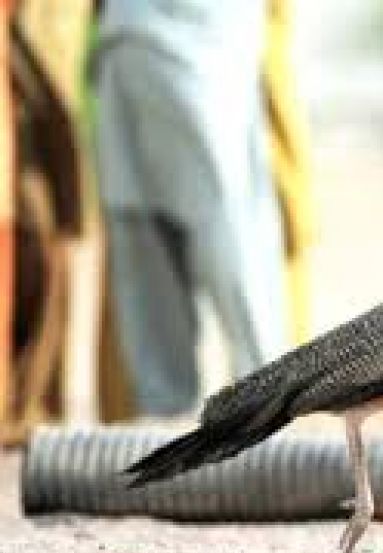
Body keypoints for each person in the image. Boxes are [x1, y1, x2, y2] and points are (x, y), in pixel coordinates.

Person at [93, 0, 290, 415]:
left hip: (203, 41)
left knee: (227, 223)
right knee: (139, 224)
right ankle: (163, 417)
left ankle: (265, 405)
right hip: (126, 39)